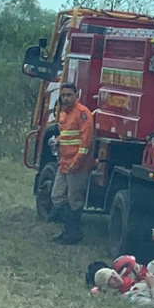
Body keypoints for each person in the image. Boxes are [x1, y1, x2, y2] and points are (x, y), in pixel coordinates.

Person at [50, 82, 94, 245]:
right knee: (57, 196)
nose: (66, 98)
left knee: (74, 199)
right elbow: (68, 136)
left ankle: (72, 233)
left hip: (78, 165)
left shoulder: (83, 113)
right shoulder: (63, 114)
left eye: (69, 95)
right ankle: (71, 230)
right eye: (63, 95)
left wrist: (76, 162)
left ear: (77, 96)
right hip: (63, 162)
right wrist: (57, 141)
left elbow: (85, 142)